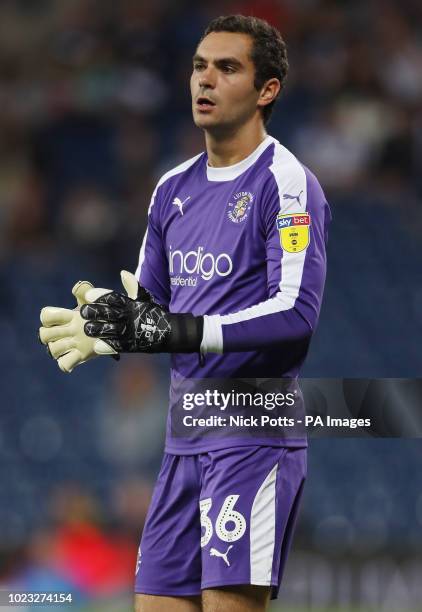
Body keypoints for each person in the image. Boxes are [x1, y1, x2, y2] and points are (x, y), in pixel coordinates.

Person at [39, 14, 331, 612]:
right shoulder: (171, 188)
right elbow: (154, 311)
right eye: (200, 65)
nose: (206, 79)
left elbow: (295, 314)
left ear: (266, 90)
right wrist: (112, 327)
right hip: (182, 444)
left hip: (252, 438)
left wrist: (178, 328)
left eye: (228, 68)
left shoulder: (287, 183)